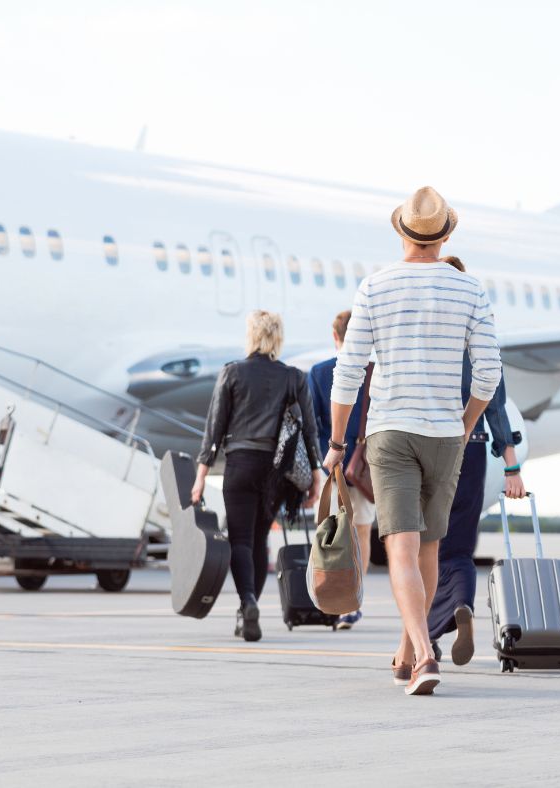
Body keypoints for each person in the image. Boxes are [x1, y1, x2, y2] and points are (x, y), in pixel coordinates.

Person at [325, 186, 501, 695]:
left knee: (399, 548)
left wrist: (338, 442)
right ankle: (407, 650)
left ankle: (424, 655)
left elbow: (348, 372)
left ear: (401, 231)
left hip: (392, 432)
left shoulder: (375, 288)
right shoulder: (470, 290)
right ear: (446, 235)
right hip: (445, 435)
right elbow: (488, 374)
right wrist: (466, 424)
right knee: (429, 548)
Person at [193, 310, 322, 642]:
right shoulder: (294, 377)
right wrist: (316, 476)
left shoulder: (232, 373)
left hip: (239, 463)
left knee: (240, 539)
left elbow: (214, 428)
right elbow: (310, 429)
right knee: (260, 538)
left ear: (251, 336)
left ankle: (246, 602)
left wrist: (200, 476)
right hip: (274, 471)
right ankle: (250, 605)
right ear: (278, 338)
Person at [426, 256, 525, 667]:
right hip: (471, 447)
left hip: (426, 446)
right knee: (460, 550)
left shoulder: (424, 333)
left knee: (422, 548)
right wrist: (512, 465)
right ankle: (460, 605)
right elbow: (496, 403)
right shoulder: (479, 333)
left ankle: (425, 636)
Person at [307, 310, 375, 630]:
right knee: (360, 532)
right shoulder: (375, 373)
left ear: (335, 337)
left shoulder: (319, 373)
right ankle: (353, 600)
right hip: (363, 469)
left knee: (328, 533)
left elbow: (312, 425)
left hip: (329, 463)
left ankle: (330, 594)